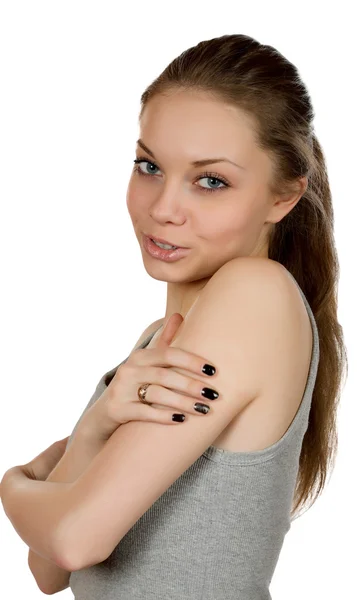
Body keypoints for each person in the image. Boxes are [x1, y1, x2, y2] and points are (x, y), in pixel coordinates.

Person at [2, 33, 348, 599]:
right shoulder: (152, 347)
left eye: (210, 181)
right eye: (149, 166)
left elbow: (74, 540)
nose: (163, 209)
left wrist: (13, 486)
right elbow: (49, 572)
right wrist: (94, 429)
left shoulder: (254, 294)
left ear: (284, 197)